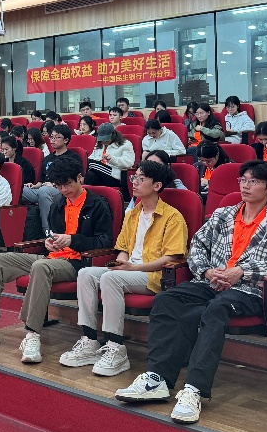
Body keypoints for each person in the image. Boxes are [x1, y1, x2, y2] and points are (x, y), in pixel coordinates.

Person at [115, 159, 267, 424]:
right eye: (243, 180)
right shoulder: (223, 214)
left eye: (254, 181)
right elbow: (197, 247)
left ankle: (194, 389)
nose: (246, 186)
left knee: (216, 310)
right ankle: (157, 378)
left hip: (249, 290)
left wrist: (242, 271)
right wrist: (207, 271)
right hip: (210, 283)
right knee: (167, 299)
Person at [0, 156, 114, 360]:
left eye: (67, 184)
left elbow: (104, 242)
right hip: (52, 257)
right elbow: (52, 235)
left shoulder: (97, 204)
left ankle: (32, 334)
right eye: (59, 186)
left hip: (77, 263)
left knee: (41, 267)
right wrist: (49, 242)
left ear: (80, 178)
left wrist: (73, 240)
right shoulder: (58, 204)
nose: (63, 189)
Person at [64, 160, 188, 374]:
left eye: (141, 178)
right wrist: (121, 263)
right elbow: (123, 248)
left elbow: (171, 257)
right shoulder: (132, 214)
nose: (134, 182)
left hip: (153, 274)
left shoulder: (173, 217)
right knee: (85, 274)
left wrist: (134, 269)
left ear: (157, 185)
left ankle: (116, 347)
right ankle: (90, 340)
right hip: (129, 270)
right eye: (134, 177)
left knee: (110, 278)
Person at [22, 124, 81, 236]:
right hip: (44, 188)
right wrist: (34, 185)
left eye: (57, 137)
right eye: (51, 137)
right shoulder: (48, 158)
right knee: (19, 190)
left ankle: (49, 231)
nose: (52, 140)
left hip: (62, 190)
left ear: (66, 140)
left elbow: (78, 180)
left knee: (44, 191)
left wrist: (54, 184)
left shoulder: (73, 157)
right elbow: (41, 180)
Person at [85, 123, 135, 190]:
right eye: (102, 139)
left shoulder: (125, 144)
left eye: (106, 139)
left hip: (114, 175)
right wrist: (98, 160)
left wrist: (112, 159)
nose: (104, 141)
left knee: (90, 163)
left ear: (113, 135)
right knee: (89, 174)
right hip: (100, 174)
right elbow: (91, 158)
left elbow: (129, 162)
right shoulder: (100, 144)